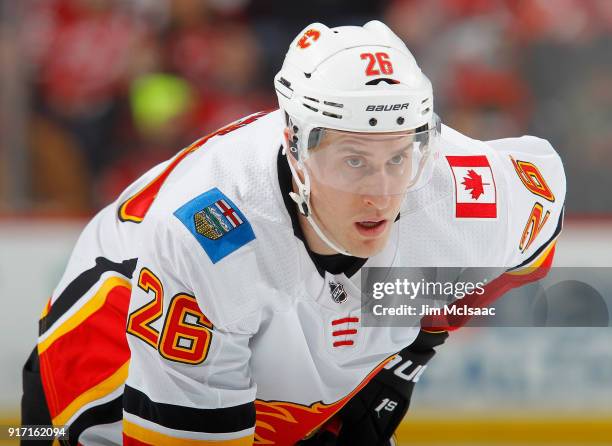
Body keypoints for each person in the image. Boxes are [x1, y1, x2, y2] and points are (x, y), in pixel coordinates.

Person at [22, 21, 565, 446]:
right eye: (352, 160)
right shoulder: (208, 235)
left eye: (399, 157)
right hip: (105, 366)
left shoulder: (460, 189)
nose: (381, 192)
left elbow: (541, 218)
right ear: (295, 149)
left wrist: (416, 343)